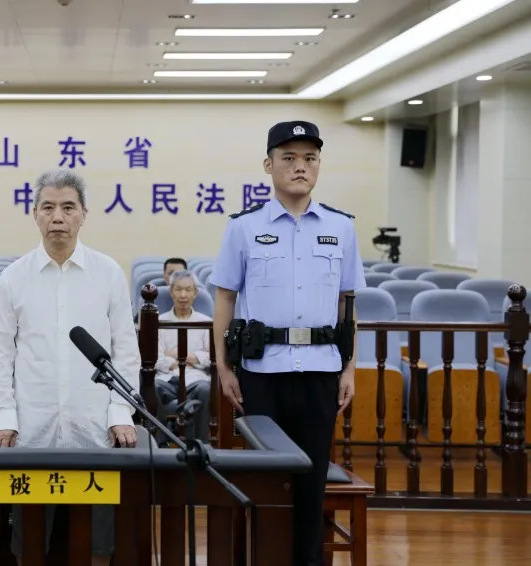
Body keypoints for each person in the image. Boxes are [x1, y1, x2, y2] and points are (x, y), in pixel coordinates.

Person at [209, 121, 362, 566]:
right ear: (268, 165)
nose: (300, 167)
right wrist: (223, 366)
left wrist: (349, 367)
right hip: (262, 373)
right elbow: (225, 299)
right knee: (267, 482)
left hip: (320, 371)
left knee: (311, 483)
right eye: (289, 158)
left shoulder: (341, 227)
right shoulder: (243, 227)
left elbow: (347, 304)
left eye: (310, 158)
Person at [0, 168, 141, 566]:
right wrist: (4, 416)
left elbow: (125, 348)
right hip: (32, 426)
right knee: (29, 540)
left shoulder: (108, 272)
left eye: (68, 207)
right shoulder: (14, 278)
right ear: (34, 213)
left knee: (98, 542)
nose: (58, 217)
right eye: (48, 207)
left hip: (95, 424)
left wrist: (120, 412)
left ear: (84, 214)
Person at [154, 269, 212, 444]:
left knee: (205, 389)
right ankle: (159, 443)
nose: (183, 295)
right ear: (171, 291)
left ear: (196, 293)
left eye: (188, 290)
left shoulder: (206, 322)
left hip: (196, 379)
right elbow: (156, 359)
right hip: (167, 379)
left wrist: (177, 355)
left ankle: (200, 443)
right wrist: (190, 359)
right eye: (178, 289)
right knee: (153, 387)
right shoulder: (159, 321)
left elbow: (210, 357)